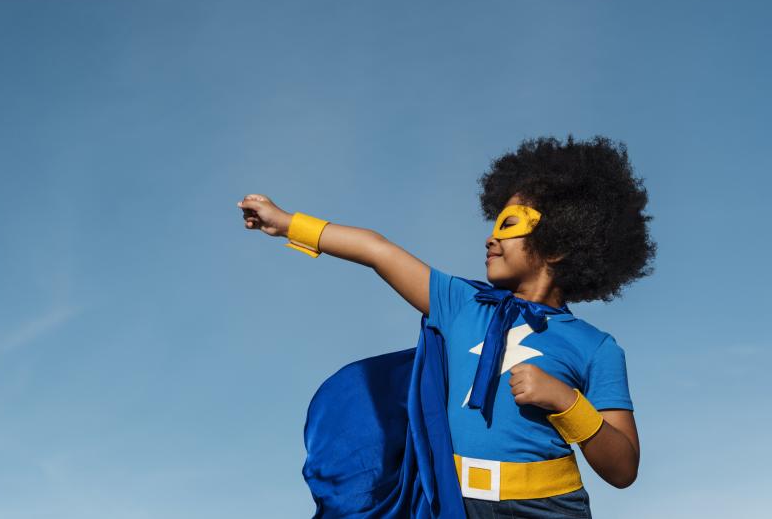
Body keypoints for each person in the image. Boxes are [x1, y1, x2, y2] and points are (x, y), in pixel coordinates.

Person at [236, 135, 655, 518]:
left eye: (509, 225)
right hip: (451, 505)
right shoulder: (459, 304)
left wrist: (566, 402)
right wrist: (288, 223)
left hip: (547, 509)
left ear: (561, 243)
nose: (491, 238)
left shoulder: (596, 347)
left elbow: (622, 468)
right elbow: (377, 251)